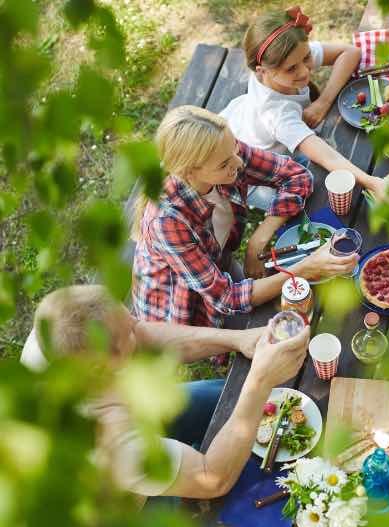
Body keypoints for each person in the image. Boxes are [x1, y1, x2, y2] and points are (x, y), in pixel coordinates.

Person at [22, 284, 309, 500]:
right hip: (125, 503)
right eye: (129, 336)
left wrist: (238, 340)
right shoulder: (105, 442)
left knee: (228, 396)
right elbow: (213, 479)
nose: (137, 329)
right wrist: (258, 381)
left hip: (136, 414)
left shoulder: (58, 333)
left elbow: (141, 333)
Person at [131, 106, 357, 337]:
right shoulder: (167, 222)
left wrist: (258, 239)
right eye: (224, 164)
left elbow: (297, 176)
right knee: (266, 331)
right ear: (190, 172)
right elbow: (227, 298)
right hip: (179, 306)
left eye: (235, 149)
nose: (239, 163)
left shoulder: (221, 151)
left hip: (219, 261)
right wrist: (305, 269)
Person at [219, 7, 385, 197]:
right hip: (254, 171)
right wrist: (372, 182)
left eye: (307, 57)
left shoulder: (288, 56)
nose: (305, 71)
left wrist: (323, 102)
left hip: (241, 118)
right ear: (262, 71)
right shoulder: (277, 113)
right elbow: (328, 157)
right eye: (291, 69)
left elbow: (351, 52)